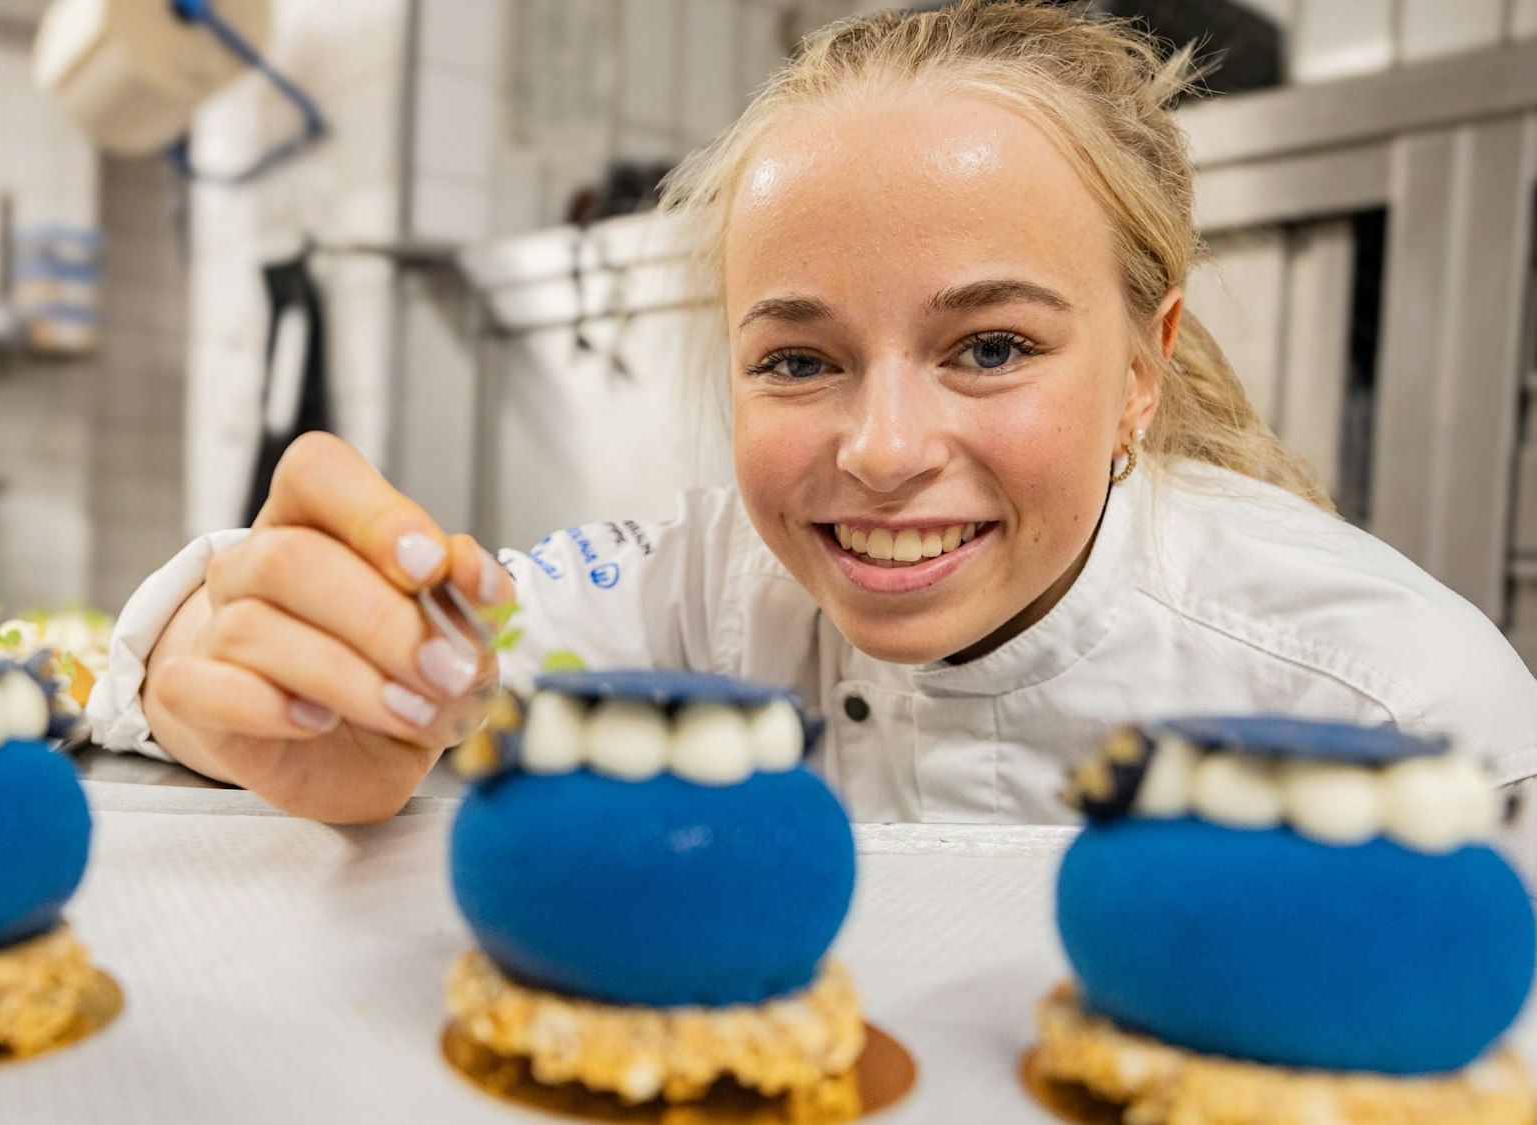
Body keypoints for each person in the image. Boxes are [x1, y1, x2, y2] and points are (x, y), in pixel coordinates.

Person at [89, 0, 1537, 841]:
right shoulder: (689, 591)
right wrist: (229, 676)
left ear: (1143, 368)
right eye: (799, 361)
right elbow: (427, 647)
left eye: (989, 345)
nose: (886, 449)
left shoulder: (1397, 706)